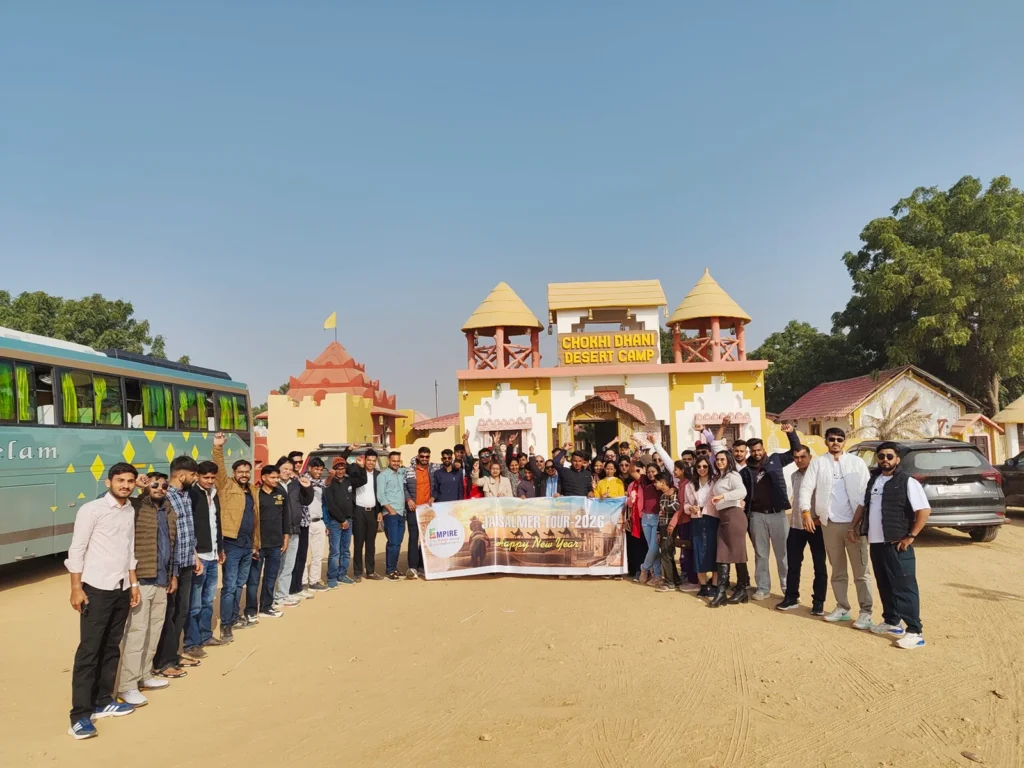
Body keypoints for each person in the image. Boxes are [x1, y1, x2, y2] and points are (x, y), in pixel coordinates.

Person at [66, 463, 141, 739]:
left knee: (111, 647)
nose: (125, 485)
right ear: (108, 482)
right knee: (89, 651)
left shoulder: (130, 509)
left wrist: (133, 584)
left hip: (121, 588)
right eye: (120, 480)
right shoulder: (92, 510)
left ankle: (102, 700)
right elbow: (77, 549)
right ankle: (79, 716)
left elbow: (129, 549)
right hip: (96, 588)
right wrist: (76, 588)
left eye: (130, 481)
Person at [849, 442, 931, 649]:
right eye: (881, 456)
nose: (885, 460)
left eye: (889, 456)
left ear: (897, 459)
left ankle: (915, 631)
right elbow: (862, 505)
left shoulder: (907, 482)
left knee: (904, 587)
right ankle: (892, 622)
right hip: (876, 542)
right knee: (885, 584)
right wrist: (853, 526)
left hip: (897, 544)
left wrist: (911, 536)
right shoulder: (874, 480)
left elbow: (924, 510)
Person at [796, 428, 873, 627]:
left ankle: (866, 611)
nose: (836, 442)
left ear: (844, 441)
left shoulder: (856, 463)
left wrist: (861, 522)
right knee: (838, 570)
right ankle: (842, 607)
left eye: (840, 439)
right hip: (829, 525)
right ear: (826, 441)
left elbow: (866, 492)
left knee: (861, 571)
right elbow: (806, 487)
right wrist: (806, 512)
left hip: (854, 525)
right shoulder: (819, 463)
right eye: (832, 439)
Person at [117, 473, 177, 708]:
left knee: (153, 631)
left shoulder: (168, 510)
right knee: (137, 633)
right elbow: (110, 499)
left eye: (164, 485)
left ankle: (145, 674)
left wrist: (172, 575)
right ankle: (127, 685)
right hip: (141, 579)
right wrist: (136, 488)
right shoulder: (135, 506)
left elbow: (171, 544)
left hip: (162, 579)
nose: (159, 488)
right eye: (154, 484)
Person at [152, 456, 202, 678]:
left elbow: (187, 530)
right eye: (193, 475)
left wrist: (195, 555)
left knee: (182, 611)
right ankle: (163, 661)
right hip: (171, 566)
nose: (195, 479)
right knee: (168, 613)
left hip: (187, 562)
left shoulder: (185, 496)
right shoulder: (165, 497)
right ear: (182, 475)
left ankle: (174, 653)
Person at [741, 425, 800, 600]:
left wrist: (791, 433)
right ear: (750, 452)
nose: (756, 453)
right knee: (761, 554)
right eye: (753, 451)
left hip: (777, 514)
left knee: (783, 554)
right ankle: (763, 588)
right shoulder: (746, 471)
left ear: (763, 449)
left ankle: (788, 589)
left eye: (759, 450)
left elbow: (795, 451)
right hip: (757, 516)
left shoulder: (776, 460)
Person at [212, 433, 259, 635]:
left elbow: (256, 519)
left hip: (248, 545)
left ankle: (233, 616)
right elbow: (219, 467)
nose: (244, 475)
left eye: (247, 472)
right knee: (230, 586)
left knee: (240, 584)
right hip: (231, 544)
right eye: (240, 472)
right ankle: (225, 624)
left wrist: (256, 544)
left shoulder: (252, 490)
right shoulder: (226, 485)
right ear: (234, 472)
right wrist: (218, 447)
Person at [776, 446, 827, 615]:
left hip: (815, 526)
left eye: (802, 457)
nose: (799, 460)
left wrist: (819, 518)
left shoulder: (819, 476)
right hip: (796, 526)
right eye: (796, 457)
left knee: (819, 565)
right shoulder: (794, 476)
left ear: (810, 457)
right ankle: (791, 597)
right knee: (793, 564)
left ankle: (818, 602)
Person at [184, 460, 224, 656]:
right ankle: (191, 643)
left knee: (208, 599)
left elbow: (216, 523)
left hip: (213, 554)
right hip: (198, 556)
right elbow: (189, 528)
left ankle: (205, 635)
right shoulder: (191, 495)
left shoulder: (214, 493)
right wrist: (194, 555)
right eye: (205, 477)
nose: (209, 480)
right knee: (195, 603)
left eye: (212, 477)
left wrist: (220, 548)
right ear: (198, 476)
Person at [247, 465, 288, 619]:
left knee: (271, 577)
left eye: (277, 477)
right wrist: (253, 544)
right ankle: (251, 610)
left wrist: (286, 537)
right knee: (254, 579)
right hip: (259, 544)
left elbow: (286, 516)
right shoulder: (255, 494)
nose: (276, 480)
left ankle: (266, 607)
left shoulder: (281, 494)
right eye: (273, 477)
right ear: (263, 477)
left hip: (276, 543)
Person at [708, 451, 750, 607]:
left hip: (734, 516)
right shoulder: (720, 477)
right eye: (717, 459)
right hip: (723, 517)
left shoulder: (733, 475)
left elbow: (742, 491)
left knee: (738, 554)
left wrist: (722, 496)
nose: (719, 462)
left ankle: (741, 589)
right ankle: (722, 592)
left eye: (722, 459)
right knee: (722, 554)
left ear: (729, 461)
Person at [275, 456, 314, 606]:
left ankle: (284, 594)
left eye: (290, 469)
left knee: (289, 565)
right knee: (277, 566)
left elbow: (306, 501)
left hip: (294, 529)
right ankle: (274, 597)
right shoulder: (274, 484)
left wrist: (307, 487)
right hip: (279, 531)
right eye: (285, 469)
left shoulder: (294, 485)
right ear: (278, 469)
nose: (287, 472)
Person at [324, 456, 365, 587]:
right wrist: (342, 520)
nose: (340, 471)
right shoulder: (330, 483)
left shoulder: (349, 481)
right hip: (336, 522)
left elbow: (363, 480)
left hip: (349, 520)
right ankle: (332, 578)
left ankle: (342, 575)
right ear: (334, 469)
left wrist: (361, 467)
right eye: (338, 468)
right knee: (335, 551)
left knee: (345, 550)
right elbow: (331, 505)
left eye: (343, 468)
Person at [685, 457, 718, 597]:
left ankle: (715, 585)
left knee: (714, 551)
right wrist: (690, 508)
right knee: (698, 551)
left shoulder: (716, 482)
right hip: (697, 520)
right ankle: (703, 586)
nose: (702, 469)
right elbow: (686, 503)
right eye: (699, 466)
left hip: (713, 519)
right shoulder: (690, 485)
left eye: (705, 466)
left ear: (709, 467)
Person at [403, 448, 437, 579]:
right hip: (413, 508)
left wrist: (434, 496)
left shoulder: (433, 470)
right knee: (413, 537)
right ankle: (412, 567)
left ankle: (422, 565)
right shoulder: (409, 470)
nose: (424, 459)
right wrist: (408, 499)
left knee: (426, 538)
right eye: (422, 456)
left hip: (427, 509)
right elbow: (403, 486)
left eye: (427, 457)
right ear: (418, 456)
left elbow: (437, 485)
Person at [352, 449, 383, 581]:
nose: (371, 463)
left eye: (373, 461)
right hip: (359, 512)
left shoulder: (378, 475)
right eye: (369, 460)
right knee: (358, 543)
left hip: (373, 512)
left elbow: (380, 494)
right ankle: (358, 573)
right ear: (364, 460)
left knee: (371, 543)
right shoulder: (357, 472)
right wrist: (358, 466)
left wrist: (380, 511)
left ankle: (370, 571)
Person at [379, 451, 408, 580]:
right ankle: (390, 570)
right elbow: (381, 496)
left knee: (398, 542)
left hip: (401, 513)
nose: (396, 463)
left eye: (398, 461)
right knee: (393, 542)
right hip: (391, 514)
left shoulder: (401, 472)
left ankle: (394, 568)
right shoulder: (383, 476)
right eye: (393, 461)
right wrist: (391, 510)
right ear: (388, 461)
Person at [300, 458, 328, 591]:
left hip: (319, 521)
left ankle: (314, 580)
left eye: (321, 470)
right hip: (306, 522)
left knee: (318, 554)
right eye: (316, 469)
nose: (319, 472)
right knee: (304, 554)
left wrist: (326, 523)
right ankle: (303, 581)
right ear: (310, 468)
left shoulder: (321, 484)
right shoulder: (301, 481)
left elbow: (324, 504)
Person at [636, 463, 663, 585]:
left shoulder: (662, 484)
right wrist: (635, 460)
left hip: (657, 518)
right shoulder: (645, 483)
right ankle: (657, 576)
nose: (651, 474)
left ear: (658, 472)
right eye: (649, 472)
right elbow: (632, 471)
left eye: (653, 471)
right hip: (645, 518)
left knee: (654, 548)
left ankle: (644, 567)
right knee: (653, 549)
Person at [653, 473, 680, 592]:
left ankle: (669, 583)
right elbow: (660, 516)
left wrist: (664, 509)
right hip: (663, 527)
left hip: (670, 527)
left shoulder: (672, 493)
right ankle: (675, 580)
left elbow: (677, 506)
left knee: (666, 554)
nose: (655, 484)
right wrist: (658, 531)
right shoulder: (663, 495)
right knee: (667, 553)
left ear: (663, 482)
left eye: (656, 482)